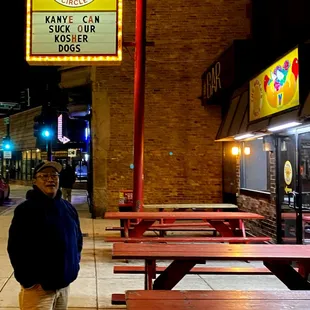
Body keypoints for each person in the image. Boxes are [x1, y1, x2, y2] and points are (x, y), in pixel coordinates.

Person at [7, 161, 83, 310]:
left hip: (63, 286)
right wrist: (29, 280)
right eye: (44, 176)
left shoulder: (68, 208)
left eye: (54, 175)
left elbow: (77, 240)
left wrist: (73, 267)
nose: (50, 179)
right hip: (38, 289)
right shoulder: (26, 210)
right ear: (35, 180)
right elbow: (15, 248)